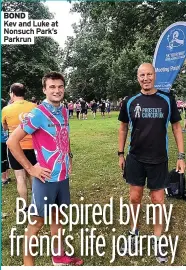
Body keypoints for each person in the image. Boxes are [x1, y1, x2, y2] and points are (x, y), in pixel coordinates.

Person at [7, 72, 83, 266]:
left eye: (60, 87)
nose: (56, 90)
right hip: (45, 179)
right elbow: (12, 141)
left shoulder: (65, 111)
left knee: (58, 216)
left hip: (62, 176)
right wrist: (31, 169)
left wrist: (70, 156)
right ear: (44, 89)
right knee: (37, 222)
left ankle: (59, 257)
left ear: (64, 88)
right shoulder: (37, 113)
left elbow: (63, 136)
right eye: (52, 87)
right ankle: (28, 265)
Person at [118, 63, 185, 263]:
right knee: (135, 198)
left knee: (158, 201)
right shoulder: (130, 101)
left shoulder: (167, 99)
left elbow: (176, 127)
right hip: (135, 158)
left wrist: (181, 156)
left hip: (158, 159)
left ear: (154, 76)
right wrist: (121, 154)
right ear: (137, 77)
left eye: (149, 74)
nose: (145, 78)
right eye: (142, 75)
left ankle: (158, 239)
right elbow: (123, 128)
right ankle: (133, 233)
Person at [2, 83, 37, 211]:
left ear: (12, 93)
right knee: (33, 174)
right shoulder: (34, 107)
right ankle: (36, 203)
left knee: (20, 178)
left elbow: (5, 127)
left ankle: (24, 206)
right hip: (32, 146)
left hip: (15, 147)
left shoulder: (6, 109)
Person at [1, 99, 11, 186]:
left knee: (2, 160)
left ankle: (3, 179)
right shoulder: (6, 114)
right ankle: (7, 176)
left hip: (1, 141)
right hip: (7, 140)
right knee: (6, 159)